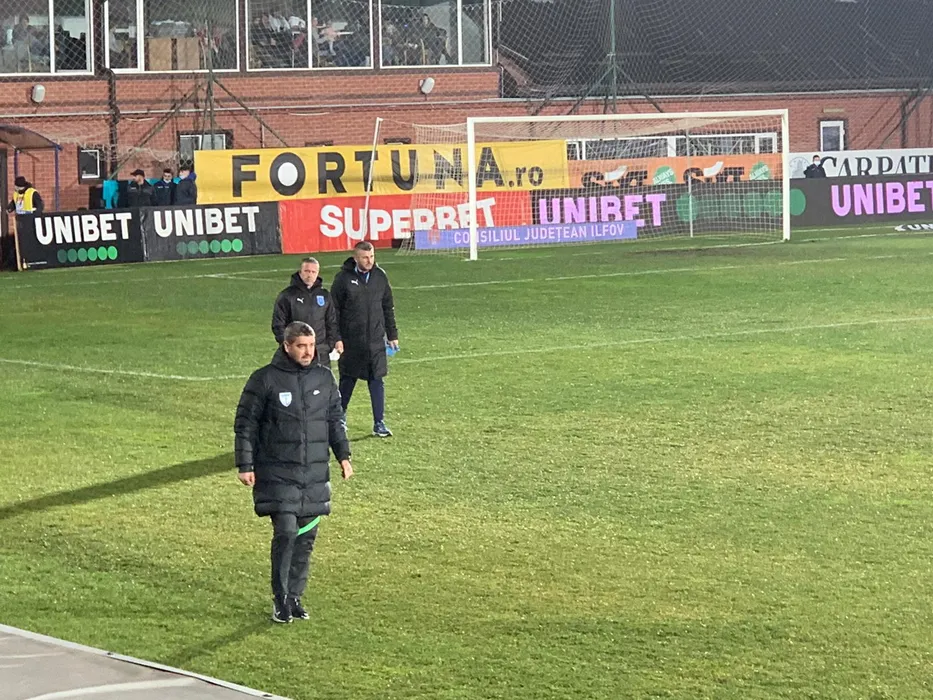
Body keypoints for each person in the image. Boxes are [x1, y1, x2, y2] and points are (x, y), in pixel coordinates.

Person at [235, 321, 353, 624]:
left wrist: (343, 456)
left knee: (306, 538)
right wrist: (245, 465)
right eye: (301, 346)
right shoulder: (264, 379)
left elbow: (335, 420)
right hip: (277, 472)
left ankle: (295, 597)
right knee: (286, 532)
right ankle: (280, 598)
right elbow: (246, 425)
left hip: (313, 474)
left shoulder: (324, 378)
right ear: (286, 346)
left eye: (311, 346)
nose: (308, 351)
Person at [331, 241, 399, 438]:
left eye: (371, 257)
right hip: (351, 341)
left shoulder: (380, 276)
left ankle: (379, 423)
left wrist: (392, 335)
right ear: (356, 258)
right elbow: (333, 311)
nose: (369, 261)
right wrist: (336, 338)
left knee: (377, 380)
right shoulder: (343, 279)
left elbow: (387, 307)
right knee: (348, 380)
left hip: (376, 340)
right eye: (365, 257)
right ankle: (339, 419)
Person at [272, 257, 343, 366]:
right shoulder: (287, 295)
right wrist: (290, 346)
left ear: (317, 273)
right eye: (307, 271)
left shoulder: (324, 295)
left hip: (321, 353)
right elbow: (278, 325)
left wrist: (330, 344)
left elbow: (331, 322)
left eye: (313, 272)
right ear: (300, 272)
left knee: (322, 377)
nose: (310, 275)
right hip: (297, 353)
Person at [3, 176, 43, 270]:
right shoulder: (16, 194)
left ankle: (31, 261)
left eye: (16, 186)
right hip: (19, 222)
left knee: (29, 243)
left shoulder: (32, 193)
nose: (14, 188)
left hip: (30, 222)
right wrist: (9, 209)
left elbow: (40, 206)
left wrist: (35, 214)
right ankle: (21, 262)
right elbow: (14, 203)